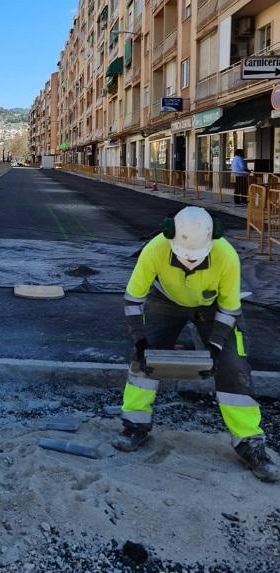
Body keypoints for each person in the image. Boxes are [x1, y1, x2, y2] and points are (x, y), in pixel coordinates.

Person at [113, 206, 278, 483]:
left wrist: (214, 346)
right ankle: (135, 426)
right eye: (185, 257)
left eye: (197, 259)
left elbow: (229, 309)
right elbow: (133, 300)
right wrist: (140, 340)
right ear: (170, 236)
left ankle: (249, 442)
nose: (191, 263)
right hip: (166, 301)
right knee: (142, 361)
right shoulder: (155, 249)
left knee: (233, 366)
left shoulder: (226, 255)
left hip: (212, 307)